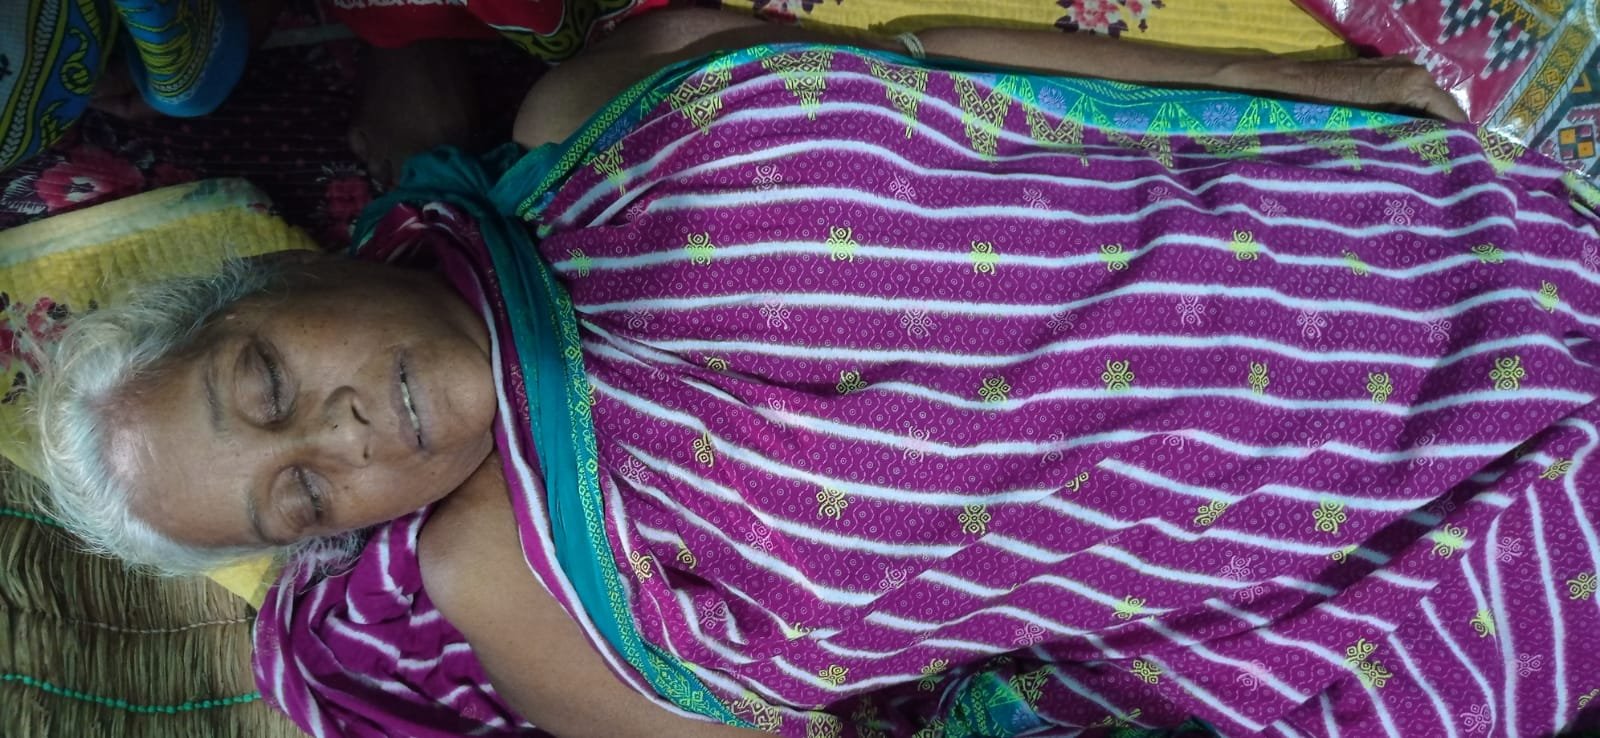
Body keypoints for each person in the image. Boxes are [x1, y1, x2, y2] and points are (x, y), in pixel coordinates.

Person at [33, 7, 1600, 737]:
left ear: (288, 273)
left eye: (263, 385)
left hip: (1395, 212)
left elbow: (932, 57)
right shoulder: (518, 572)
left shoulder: (586, 119)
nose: (339, 435)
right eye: (303, 493)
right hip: (1398, 521)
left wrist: (1289, 79)